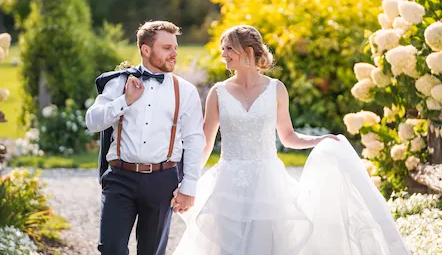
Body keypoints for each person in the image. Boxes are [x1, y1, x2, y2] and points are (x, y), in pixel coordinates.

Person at [172, 25, 410, 255]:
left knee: (269, 245)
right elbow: (206, 143)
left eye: (228, 49)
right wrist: (187, 182)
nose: (223, 55)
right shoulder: (218, 92)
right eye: (223, 49)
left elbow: (288, 136)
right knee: (226, 245)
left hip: (268, 183)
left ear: (247, 52)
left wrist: (319, 140)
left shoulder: (276, 89)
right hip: (227, 183)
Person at [85, 20, 205, 255]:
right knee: (110, 248)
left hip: (163, 181)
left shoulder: (186, 91)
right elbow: (92, 121)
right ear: (146, 50)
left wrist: (189, 187)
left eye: (175, 48)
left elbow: (193, 140)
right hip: (120, 178)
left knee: (151, 251)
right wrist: (125, 101)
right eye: (167, 48)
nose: (174, 54)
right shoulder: (119, 83)